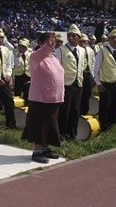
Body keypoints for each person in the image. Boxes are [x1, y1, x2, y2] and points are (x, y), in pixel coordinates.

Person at [22, 31, 64, 163]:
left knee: (51, 123)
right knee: (40, 124)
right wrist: (48, 45)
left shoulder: (54, 58)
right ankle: (37, 150)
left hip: (54, 98)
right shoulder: (35, 57)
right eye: (47, 41)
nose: (51, 44)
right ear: (40, 43)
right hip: (40, 97)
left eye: (52, 41)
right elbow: (43, 51)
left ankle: (46, 148)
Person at [93, 29, 116, 131]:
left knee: (115, 103)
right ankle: (104, 126)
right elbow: (96, 69)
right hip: (105, 82)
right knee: (105, 105)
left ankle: (114, 123)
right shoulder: (102, 51)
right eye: (113, 38)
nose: (115, 40)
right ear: (109, 39)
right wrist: (98, 83)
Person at [55, 24, 85, 139]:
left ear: (79, 37)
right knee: (64, 111)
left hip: (77, 84)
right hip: (65, 85)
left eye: (74, 36)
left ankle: (73, 134)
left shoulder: (82, 51)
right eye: (69, 35)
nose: (71, 38)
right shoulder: (60, 50)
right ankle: (61, 134)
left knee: (75, 110)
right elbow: (56, 68)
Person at [13, 38, 31, 103]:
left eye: (22, 47)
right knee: (17, 91)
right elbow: (17, 65)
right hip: (18, 75)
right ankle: (17, 105)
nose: (20, 48)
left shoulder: (30, 54)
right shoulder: (16, 55)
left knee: (27, 91)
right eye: (19, 46)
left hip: (28, 75)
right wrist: (18, 57)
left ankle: (26, 104)